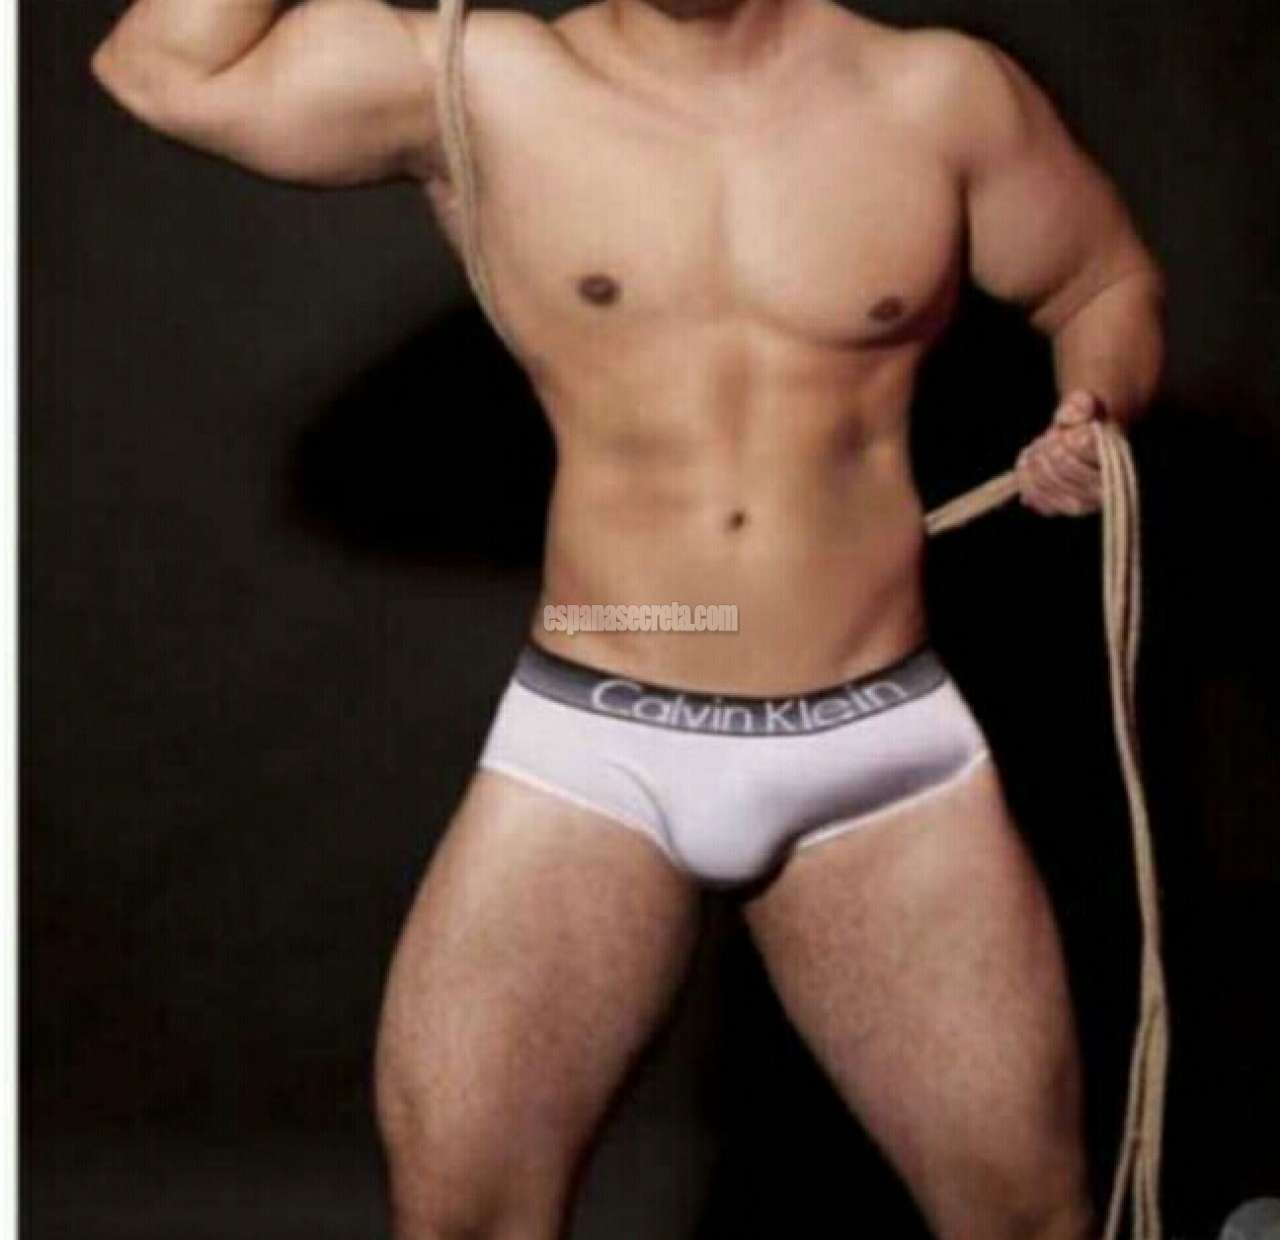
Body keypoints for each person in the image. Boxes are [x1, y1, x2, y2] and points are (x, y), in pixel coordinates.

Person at [89, 0, 1166, 1235]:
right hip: (595, 750)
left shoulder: (936, 95)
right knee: (466, 1221)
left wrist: (1092, 406)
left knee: (1023, 1219)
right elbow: (160, 68)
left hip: (876, 756)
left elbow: (1102, 280)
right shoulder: (487, 81)